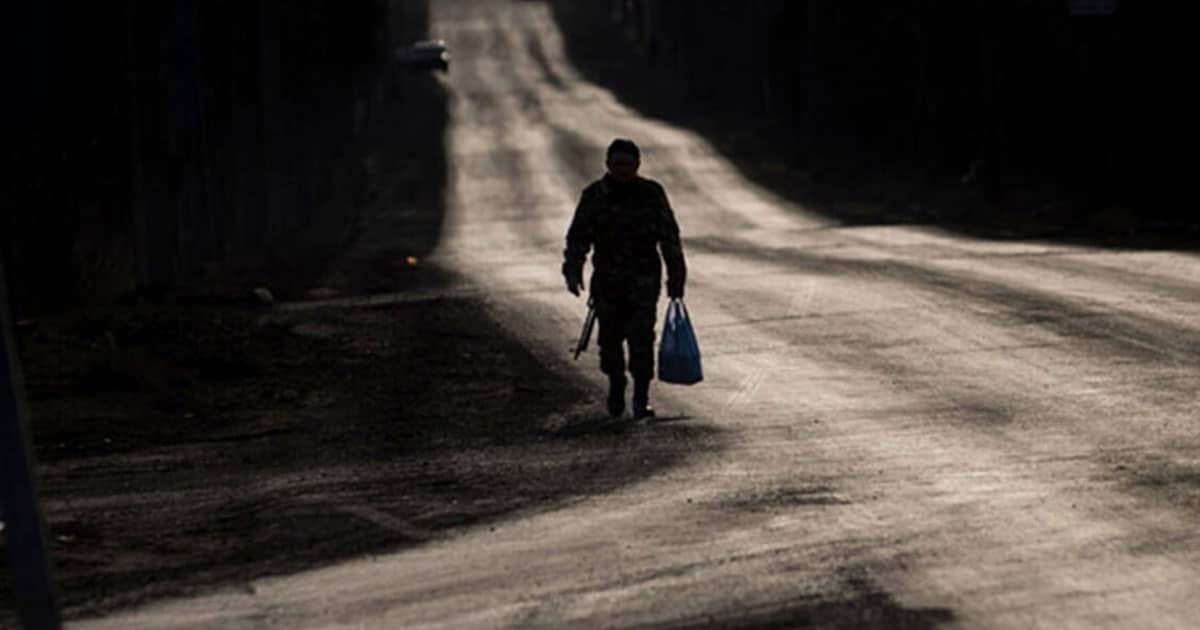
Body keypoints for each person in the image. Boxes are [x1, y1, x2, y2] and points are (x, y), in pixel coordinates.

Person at [562, 138, 687, 419]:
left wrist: (676, 277)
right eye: (618, 164)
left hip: (643, 283)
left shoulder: (651, 194)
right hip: (607, 284)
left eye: (628, 165)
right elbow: (578, 237)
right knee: (609, 342)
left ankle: (641, 397)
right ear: (607, 164)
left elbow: (669, 237)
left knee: (641, 340)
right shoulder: (594, 196)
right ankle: (616, 384)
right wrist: (572, 269)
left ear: (638, 165)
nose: (623, 170)